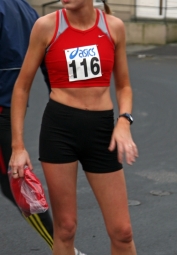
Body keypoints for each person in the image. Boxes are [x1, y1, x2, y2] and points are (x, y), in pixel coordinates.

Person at [9, 0, 139, 254]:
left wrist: (124, 120)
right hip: (60, 131)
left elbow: (124, 85)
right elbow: (21, 87)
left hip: (102, 133)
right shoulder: (46, 26)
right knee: (65, 228)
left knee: (123, 232)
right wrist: (18, 146)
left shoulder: (114, 27)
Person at [0, 1, 84, 254]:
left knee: (16, 186)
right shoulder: (27, 10)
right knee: (14, 184)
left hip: (2, 106)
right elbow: (50, 64)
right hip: (9, 108)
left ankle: (62, 248)